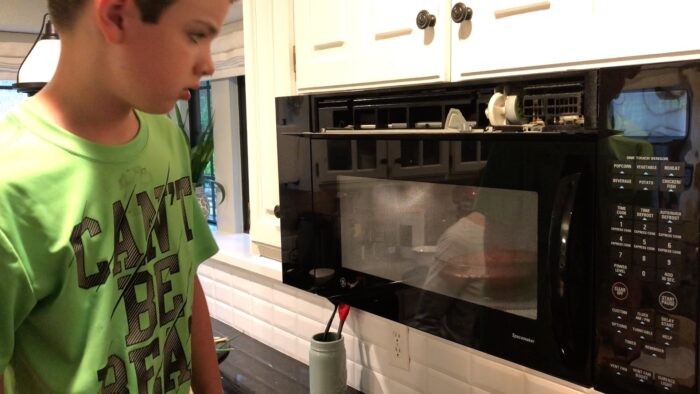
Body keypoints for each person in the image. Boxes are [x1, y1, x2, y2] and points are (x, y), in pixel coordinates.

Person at [0, 0, 233, 392]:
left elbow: (182, 277)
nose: (209, 63)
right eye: (195, 35)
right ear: (116, 17)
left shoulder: (166, 140)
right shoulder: (11, 184)